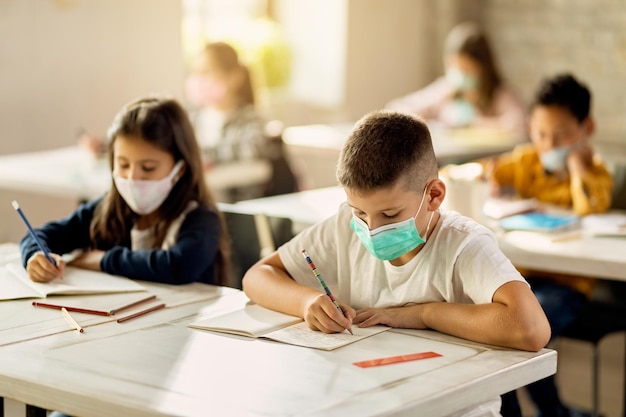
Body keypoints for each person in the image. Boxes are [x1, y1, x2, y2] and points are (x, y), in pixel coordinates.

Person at [242, 110, 551, 417]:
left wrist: (423, 314)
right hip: (374, 401)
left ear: (434, 195)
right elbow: (258, 276)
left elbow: (531, 328)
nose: (372, 229)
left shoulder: (462, 244)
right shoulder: (342, 228)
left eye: (390, 215)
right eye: (360, 214)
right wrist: (307, 302)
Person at [487, 73, 613, 417]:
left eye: (561, 136)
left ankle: (550, 411)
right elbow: (493, 172)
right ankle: (551, 411)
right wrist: (493, 179)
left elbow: (590, 205)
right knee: (500, 340)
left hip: (568, 286)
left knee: (520, 337)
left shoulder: (596, 171)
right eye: (541, 134)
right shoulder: (527, 160)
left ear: (587, 128)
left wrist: (576, 165)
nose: (549, 145)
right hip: (523, 279)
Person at [19, 97, 230, 286]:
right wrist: (36, 255)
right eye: (123, 165)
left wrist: (102, 260)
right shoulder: (108, 208)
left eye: (148, 168)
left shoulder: (200, 218)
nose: (132, 178)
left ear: (179, 169)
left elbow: (178, 266)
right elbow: (39, 235)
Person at [386, 21, 526, 137]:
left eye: (466, 69)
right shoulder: (446, 89)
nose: (460, 75)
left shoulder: (500, 94)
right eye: (454, 68)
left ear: (483, 67)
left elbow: (520, 125)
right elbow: (399, 108)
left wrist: (475, 122)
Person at [184, 41, 269, 201]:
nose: (199, 79)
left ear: (235, 77)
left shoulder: (251, 120)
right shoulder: (188, 117)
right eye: (195, 72)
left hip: (237, 212)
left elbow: (255, 164)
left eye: (206, 72)